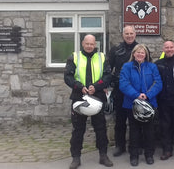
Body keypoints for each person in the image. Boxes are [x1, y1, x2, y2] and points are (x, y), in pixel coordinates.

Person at [64, 34, 114, 169]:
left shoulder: (102, 57)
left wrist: (97, 86)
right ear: (82, 44)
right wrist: (80, 87)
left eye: (92, 44)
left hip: (97, 96)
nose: (90, 46)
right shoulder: (74, 57)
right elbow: (67, 77)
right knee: (78, 129)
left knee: (101, 128)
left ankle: (103, 155)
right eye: (87, 43)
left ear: (95, 44)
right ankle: (76, 157)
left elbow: (108, 75)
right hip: (79, 97)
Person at [119, 44, 162, 166]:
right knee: (134, 131)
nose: (140, 54)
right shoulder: (127, 67)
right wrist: (137, 95)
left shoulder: (152, 67)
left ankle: (149, 155)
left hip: (149, 103)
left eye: (142, 53)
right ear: (133, 54)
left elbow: (158, 83)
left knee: (149, 131)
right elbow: (123, 84)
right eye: (138, 52)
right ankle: (134, 156)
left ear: (146, 55)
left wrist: (147, 95)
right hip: (131, 104)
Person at [108, 25, 138, 157]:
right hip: (119, 90)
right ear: (123, 35)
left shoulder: (141, 49)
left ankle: (135, 146)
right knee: (120, 120)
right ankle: (120, 146)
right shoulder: (115, 50)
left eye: (131, 33)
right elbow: (108, 69)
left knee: (136, 120)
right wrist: (106, 86)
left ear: (135, 34)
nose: (129, 36)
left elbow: (147, 67)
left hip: (136, 90)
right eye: (127, 33)